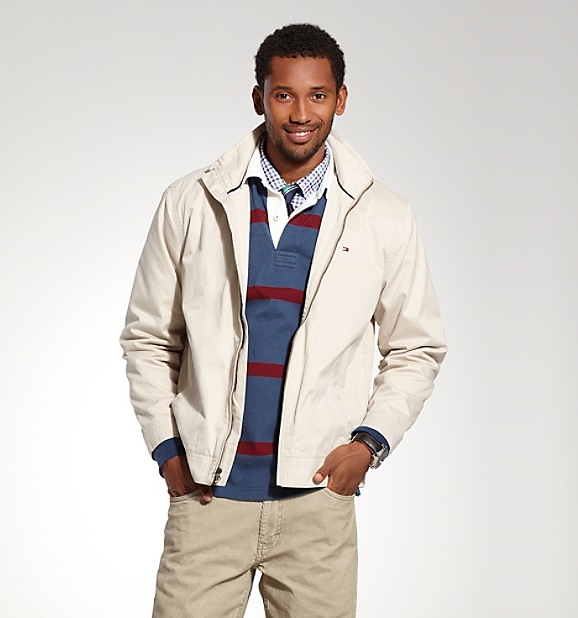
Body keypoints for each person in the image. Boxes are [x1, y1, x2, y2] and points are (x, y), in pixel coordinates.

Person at [120, 23, 446, 618]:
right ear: (259, 98)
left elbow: (416, 347)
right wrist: (167, 449)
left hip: (316, 505)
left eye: (317, 95)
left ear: (340, 99)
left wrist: (368, 445)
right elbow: (148, 337)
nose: (301, 113)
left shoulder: (384, 215)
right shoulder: (192, 201)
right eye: (284, 94)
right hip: (208, 499)